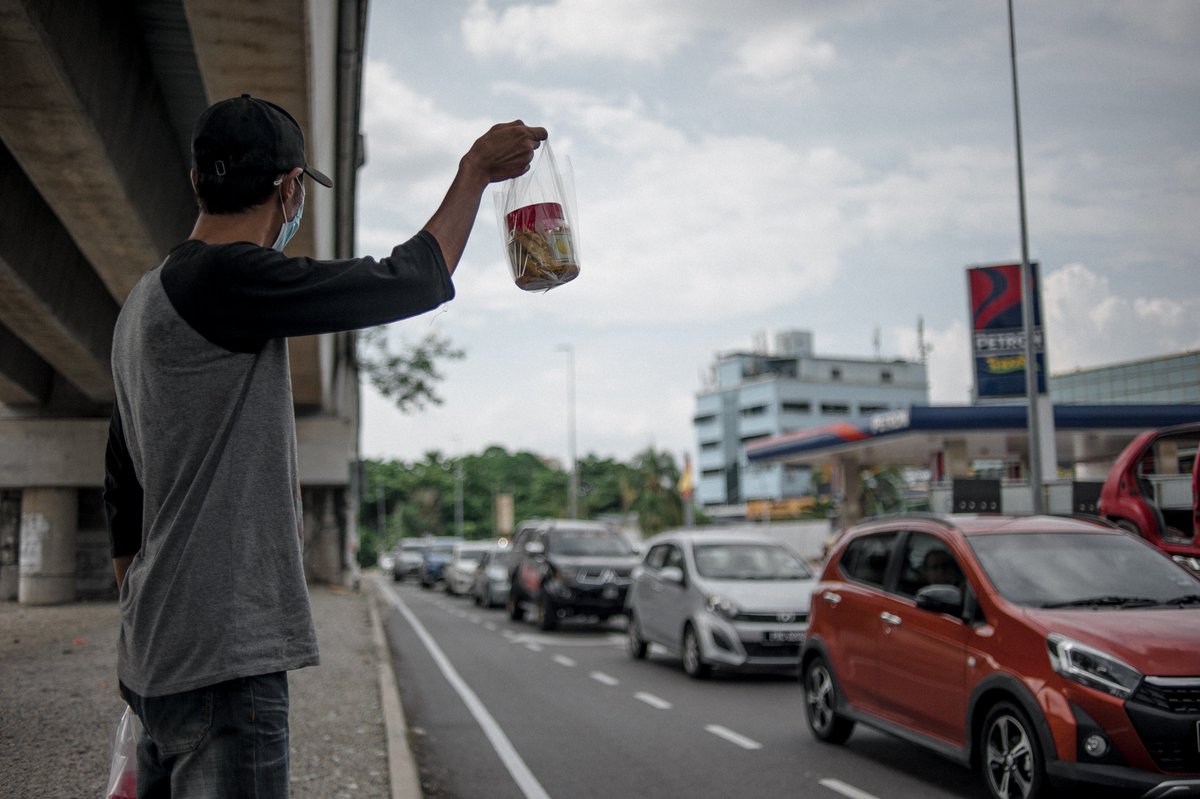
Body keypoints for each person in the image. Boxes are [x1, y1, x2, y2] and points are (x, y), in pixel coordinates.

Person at [103, 93, 546, 797]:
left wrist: (157, 611)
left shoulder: (143, 302)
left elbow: (121, 491)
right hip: (224, 665)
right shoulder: (230, 278)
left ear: (196, 181)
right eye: (298, 192)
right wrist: (473, 172)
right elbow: (410, 279)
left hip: (154, 659)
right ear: (289, 189)